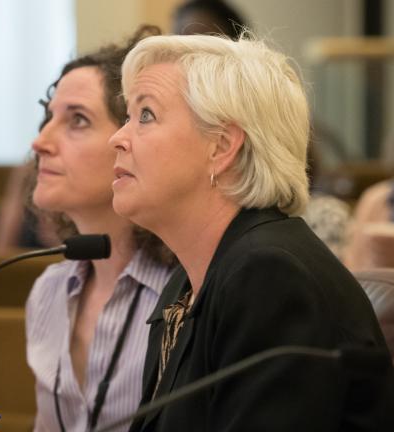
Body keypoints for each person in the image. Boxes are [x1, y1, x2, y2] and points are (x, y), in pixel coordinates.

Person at [107, 33, 394, 431]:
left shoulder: (270, 276)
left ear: (221, 147)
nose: (117, 138)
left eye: (146, 115)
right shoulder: (188, 283)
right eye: (127, 117)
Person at [0, 26, 177, 432]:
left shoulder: (184, 297)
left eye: (76, 120)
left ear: (130, 139)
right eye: (47, 117)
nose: (39, 142)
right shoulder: (49, 291)